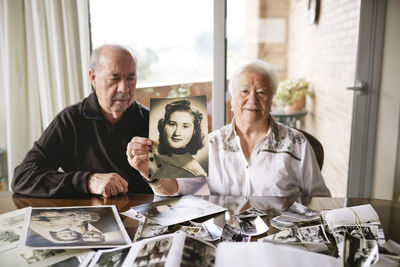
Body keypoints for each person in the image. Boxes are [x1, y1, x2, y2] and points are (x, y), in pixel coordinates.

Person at [127, 59, 331, 197]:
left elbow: (320, 199)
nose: (252, 99)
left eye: (261, 92)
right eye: (244, 91)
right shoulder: (211, 143)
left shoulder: (297, 144)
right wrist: (151, 175)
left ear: (271, 99)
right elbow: (177, 187)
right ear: (232, 99)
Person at [12, 44, 152, 197]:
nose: (124, 88)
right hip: (90, 217)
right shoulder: (70, 120)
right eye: (114, 78)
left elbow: (178, 189)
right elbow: (23, 177)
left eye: (131, 78)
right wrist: (88, 181)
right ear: (93, 78)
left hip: (144, 217)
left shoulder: (153, 121)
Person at [148, 99, 207, 178]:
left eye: (185, 126)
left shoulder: (197, 173)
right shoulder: (147, 148)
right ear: (164, 124)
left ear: (194, 131)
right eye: (172, 124)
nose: (177, 133)